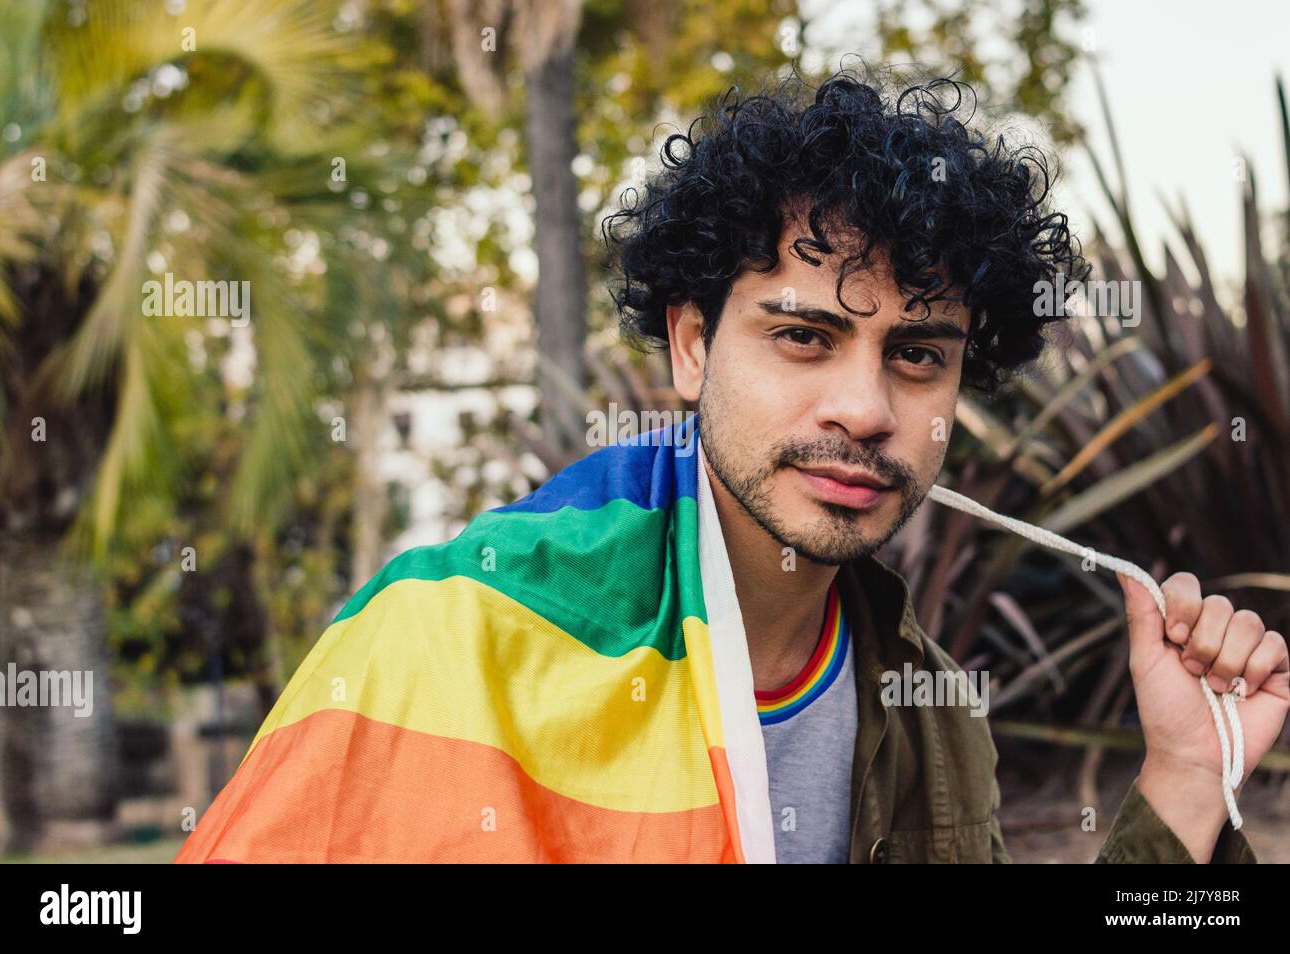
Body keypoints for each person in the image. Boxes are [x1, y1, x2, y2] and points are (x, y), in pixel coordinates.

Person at [175, 66, 1288, 864]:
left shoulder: (927, 699)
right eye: (803, 337)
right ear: (692, 345)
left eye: (917, 355)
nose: (864, 408)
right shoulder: (456, 636)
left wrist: (1186, 781)